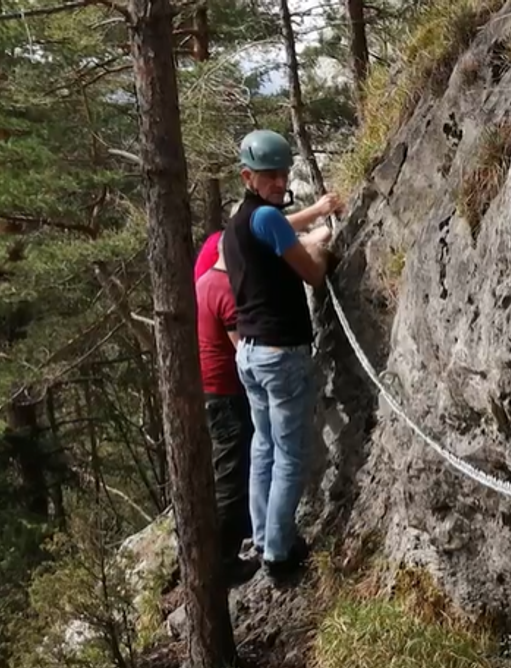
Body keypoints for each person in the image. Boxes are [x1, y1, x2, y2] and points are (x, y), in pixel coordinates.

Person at [221, 129, 344, 582]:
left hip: (250, 355)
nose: (279, 181)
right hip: (280, 353)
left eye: (283, 173)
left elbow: (276, 228)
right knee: (290, 453)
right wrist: (322, 244)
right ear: (248, 176)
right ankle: (279, 553)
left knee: (263, 448)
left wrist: (312, 214)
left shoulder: (237, 223)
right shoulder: (266, 219)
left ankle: (262, 539)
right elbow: (312, 274)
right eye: (270, 175)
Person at [194, 231, 258, 584]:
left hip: (210, 389)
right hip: (226, 390)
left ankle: (221, 550)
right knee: (232, 474)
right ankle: (223, 560)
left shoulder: (204, 282)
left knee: (229, 467)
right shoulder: (227, 293)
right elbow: (246, 352)